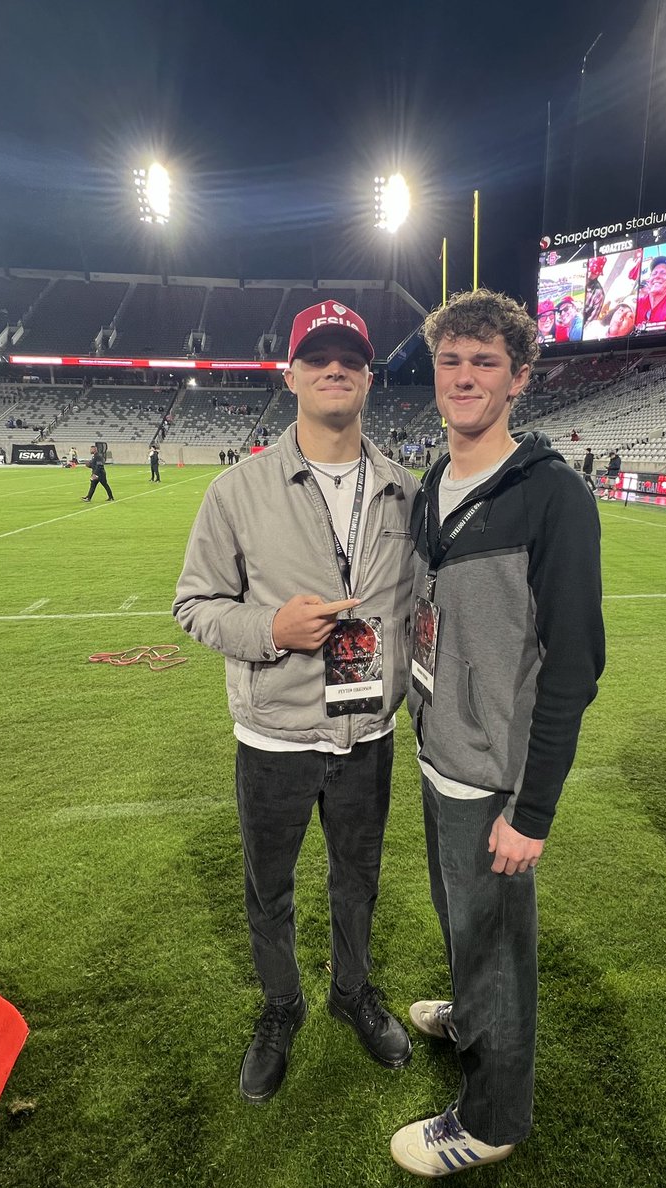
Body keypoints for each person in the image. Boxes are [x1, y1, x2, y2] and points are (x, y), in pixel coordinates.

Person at [174, 300, 417, 1106]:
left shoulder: (405, 491)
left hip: (369, 734)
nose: (334, 366)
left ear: (370, 375)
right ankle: (282, 1007)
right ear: (291, 375)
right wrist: (271, 629)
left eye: (350, 354)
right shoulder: (237, 491)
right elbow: (194, 604)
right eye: (317, 356)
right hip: (274, 736)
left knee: (358, 879)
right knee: (268, 888)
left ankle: (352, 992)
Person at [390, 289, 604, 1177]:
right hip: (442, 752)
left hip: (496, 781)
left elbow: (575, 665)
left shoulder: (555, 495)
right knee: (462, 924)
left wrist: (534, 810)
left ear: (520, 378)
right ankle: (470, 1014)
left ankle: (493, 1114)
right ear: (435, 376)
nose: (466, 376)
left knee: (498, 949)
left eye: (486, 362)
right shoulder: (434, 482)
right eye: (452, 360)